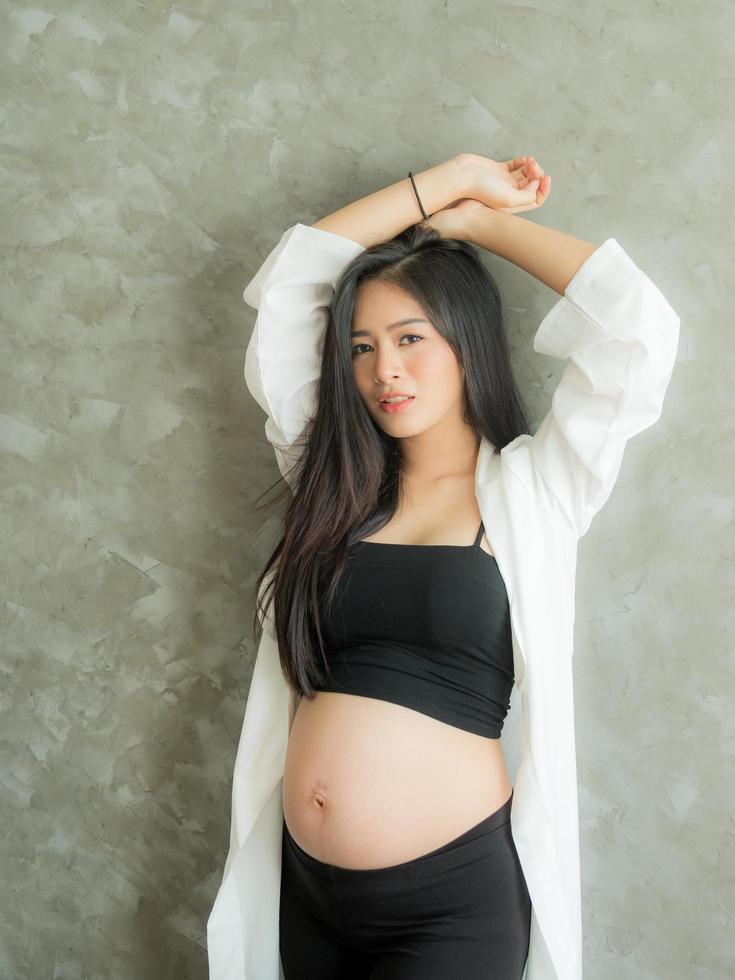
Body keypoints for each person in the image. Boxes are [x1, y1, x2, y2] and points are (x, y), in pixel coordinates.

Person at [206, 153, 681, 980]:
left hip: (447, 903)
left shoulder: (537, 491)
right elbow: (287, 290)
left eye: (410, 339)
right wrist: (439, 181)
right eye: (362, 347)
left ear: (465, 342)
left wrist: (476, 222)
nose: (383, 370)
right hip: (306, 896)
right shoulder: (331, 484)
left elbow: (638, 331)